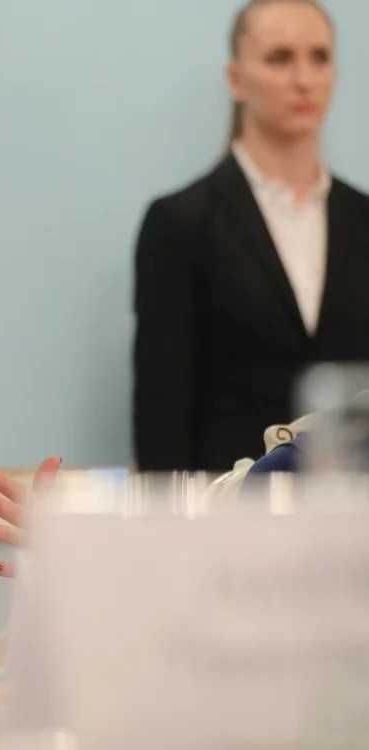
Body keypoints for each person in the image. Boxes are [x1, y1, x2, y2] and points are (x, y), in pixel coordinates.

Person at [133, 0, 369, 472]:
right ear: (237, 78)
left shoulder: (363, 219)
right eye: (280, 58)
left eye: (319, 57)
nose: (304, 79)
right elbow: (162, 419)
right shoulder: (180, 223)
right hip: (229, 506)